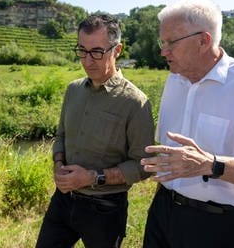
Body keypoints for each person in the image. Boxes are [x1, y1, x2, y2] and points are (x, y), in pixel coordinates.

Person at [140, 0, 234, 248]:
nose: (163, 51)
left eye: (171, 43)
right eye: (162, 41)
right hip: (163, 209)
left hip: (218, 225)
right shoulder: (175, 79)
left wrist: (212, 165)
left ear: (204, 41)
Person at [35, 14, 155, 248]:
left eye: (97, 52)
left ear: (117, 49)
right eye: (82, 51)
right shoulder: (73, 90)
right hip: (63, 201)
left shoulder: (135, 102)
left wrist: (91, 177)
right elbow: (61, 136)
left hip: (105, 209)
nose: (88, 61)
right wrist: (58, 165)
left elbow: (144, 165)